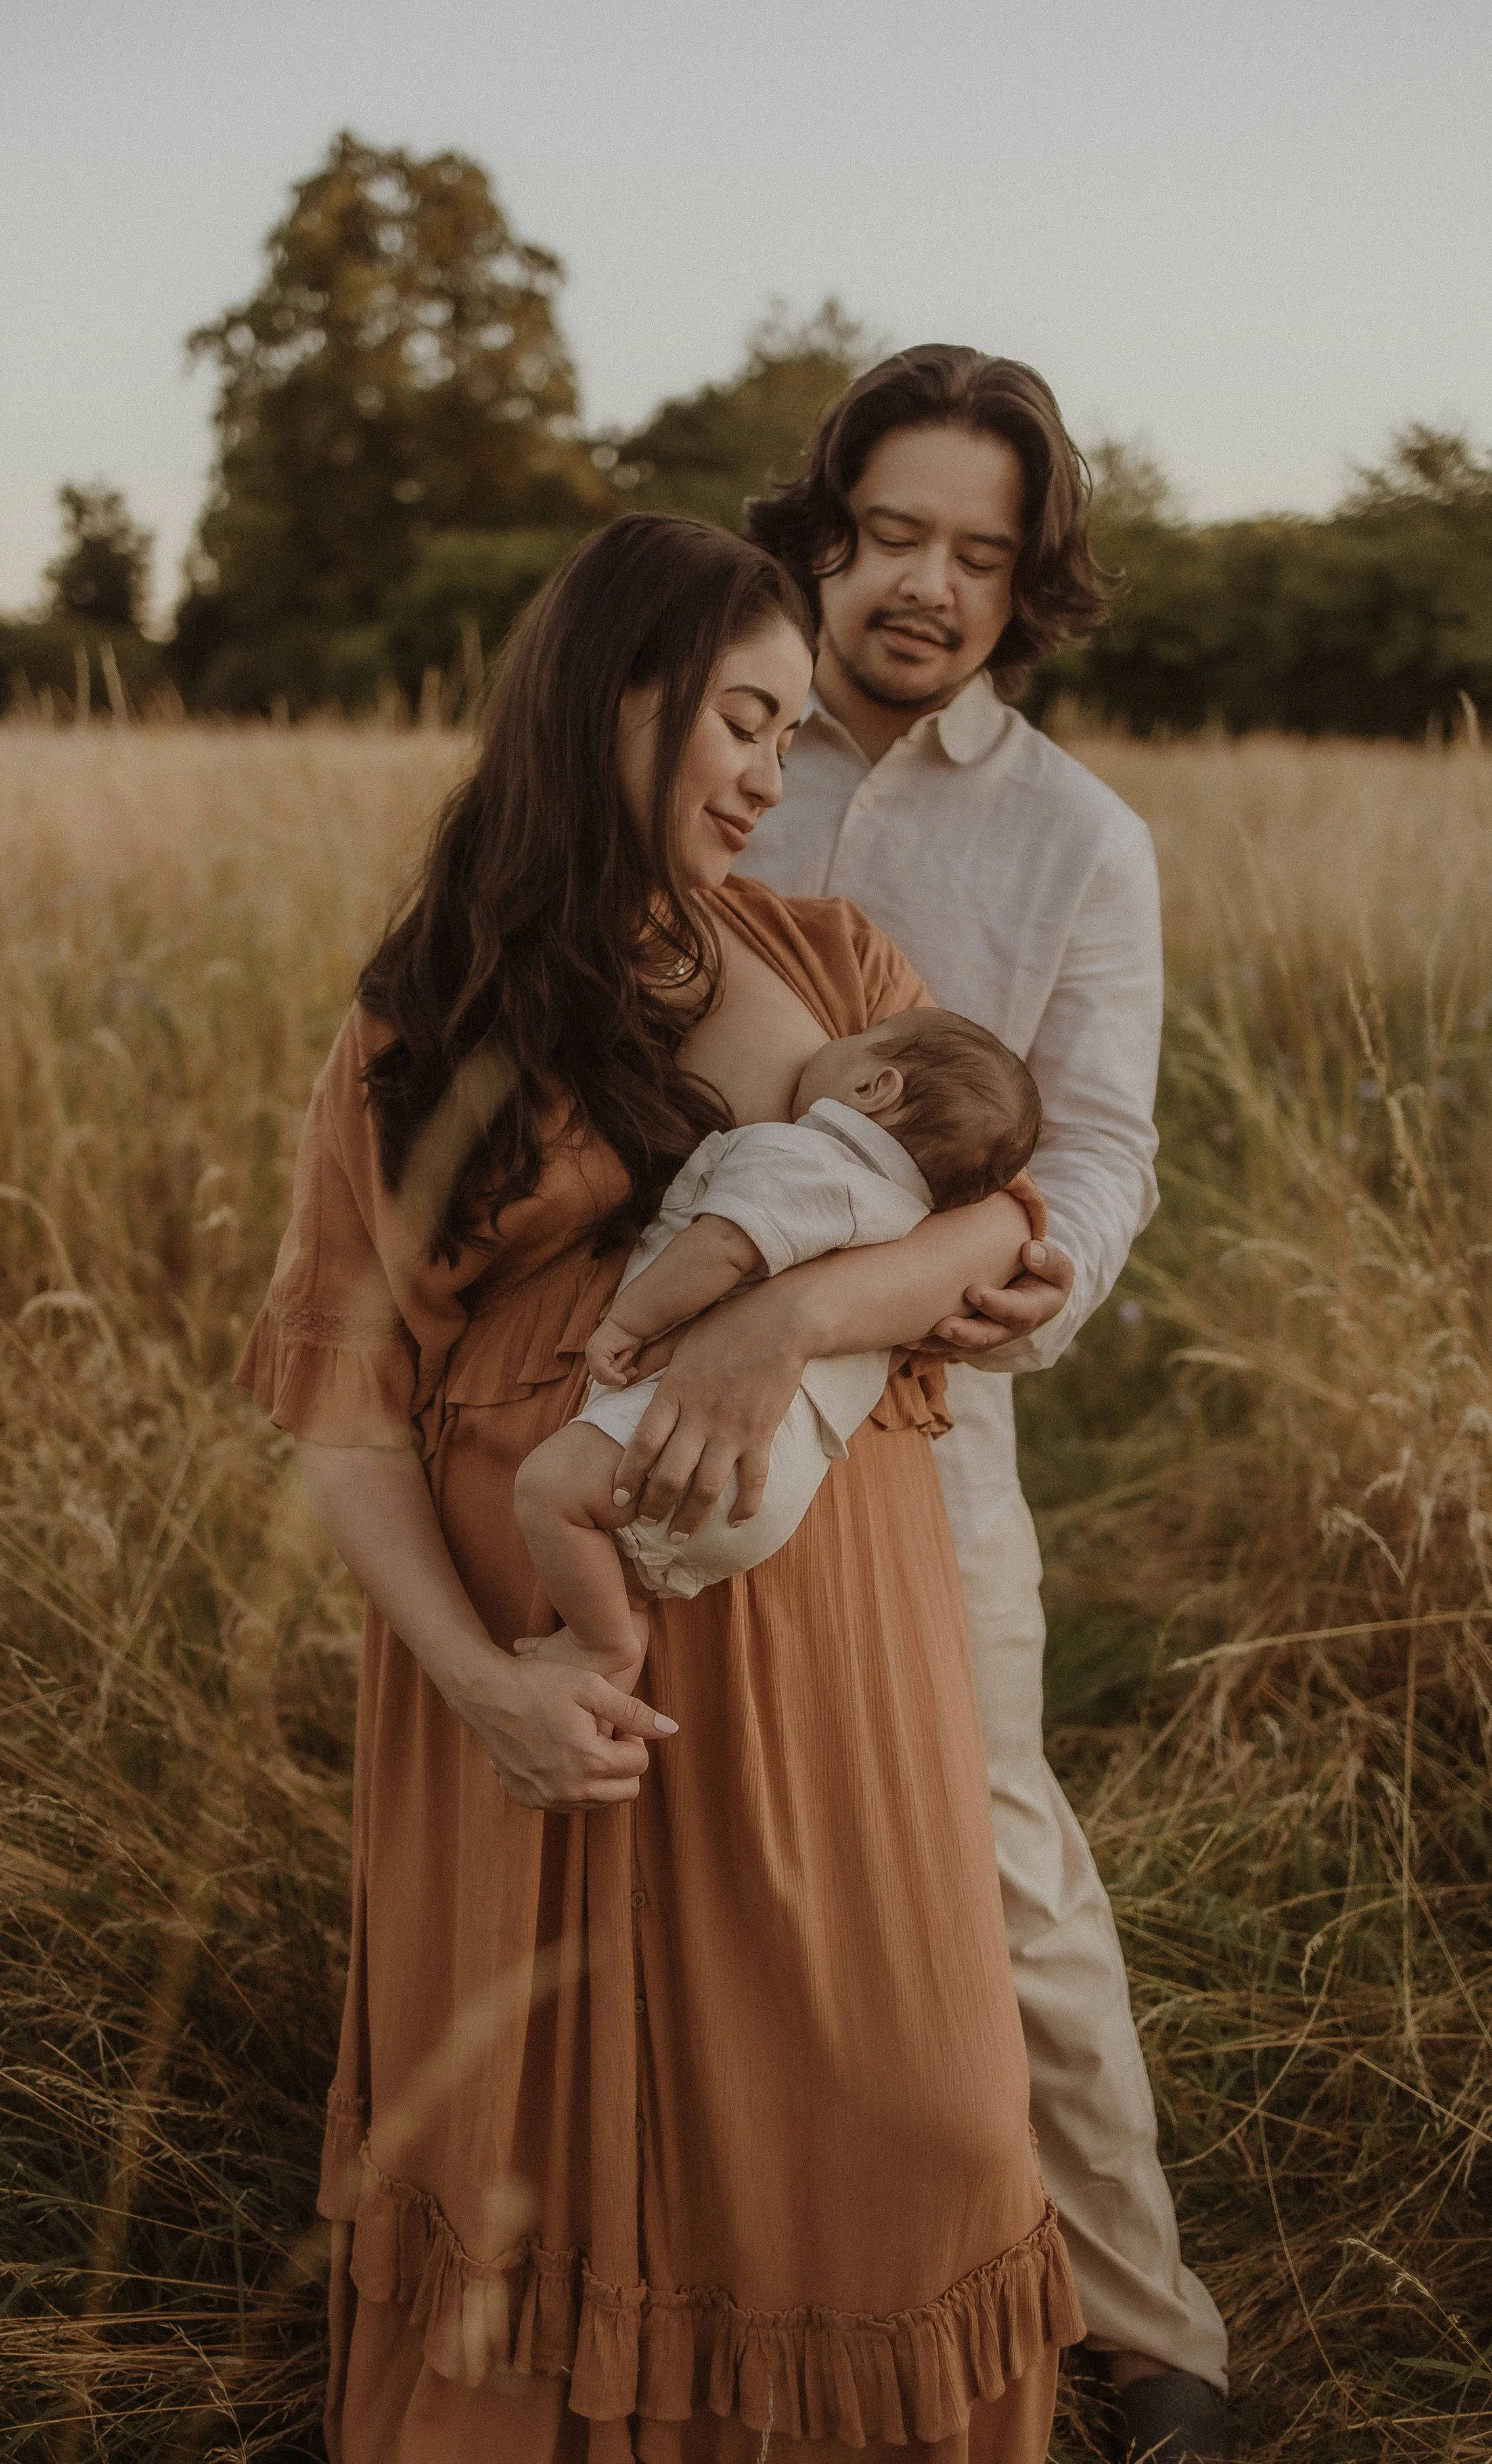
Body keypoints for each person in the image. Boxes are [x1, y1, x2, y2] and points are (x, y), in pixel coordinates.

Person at [238, 511, 1083, 2461]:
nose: (768, 775)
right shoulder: (417, 1016)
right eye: (738, 720)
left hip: (825, 1644)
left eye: (791, 731)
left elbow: (990, 1231)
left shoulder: (828, 954)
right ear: (614, 699)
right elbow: (345, 1421)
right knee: (551, 2127)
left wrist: (770, 1332)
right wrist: (483, 1680)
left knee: (919, 2105)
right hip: (540, 1661)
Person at [740, 345, 1231, 2461]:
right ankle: (749, 2287)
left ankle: (1147, 2330)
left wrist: (1024, 1275)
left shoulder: (1073, 837)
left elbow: (1104, 1142)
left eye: (979, 551)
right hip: (651, 1378)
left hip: (930, 1402)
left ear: (1030, 585)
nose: (925, 584)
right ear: (825, 530)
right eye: (892, 533)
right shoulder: (700, 743)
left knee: (993, 1850)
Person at [513, 1008, 1042, 1671]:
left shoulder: (805, 1160)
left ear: (874, 1086)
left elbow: (723, 1246)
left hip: (692, 1441)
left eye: (847, 1041)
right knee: (623, 1562)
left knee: (547, 1491)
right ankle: (628, 1617)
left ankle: (602, 1645)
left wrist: (627, 1323)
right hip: (769, 1492)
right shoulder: (905, 1233)